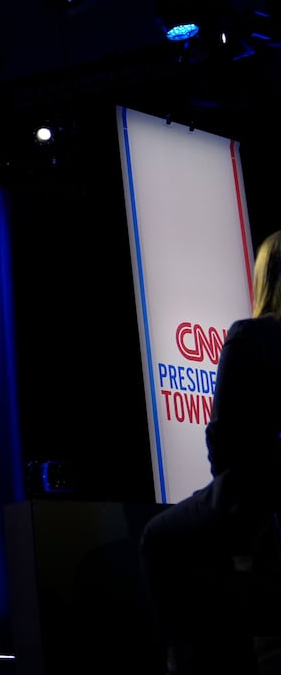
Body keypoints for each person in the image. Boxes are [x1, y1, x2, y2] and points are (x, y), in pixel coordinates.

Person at [141, 230, 281, 674]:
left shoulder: (251, 336)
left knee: (158, 537)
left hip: (255, 497)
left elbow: (222, 442)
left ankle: (185, 658)